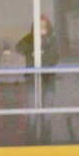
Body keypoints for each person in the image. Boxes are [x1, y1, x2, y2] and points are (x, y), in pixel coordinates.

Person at [16, 14, 60, 145]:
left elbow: (53, 58)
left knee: (46, 116)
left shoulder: (52, 40)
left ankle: (46, 146)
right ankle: (30, 146)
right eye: (38, 26)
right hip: (32, 82)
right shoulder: (30, 41)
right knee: (32, 116)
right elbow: (19, 47)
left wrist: (44, 41)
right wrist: (33, 36)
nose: (41, 29)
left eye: (43, 26)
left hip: (48, 81)